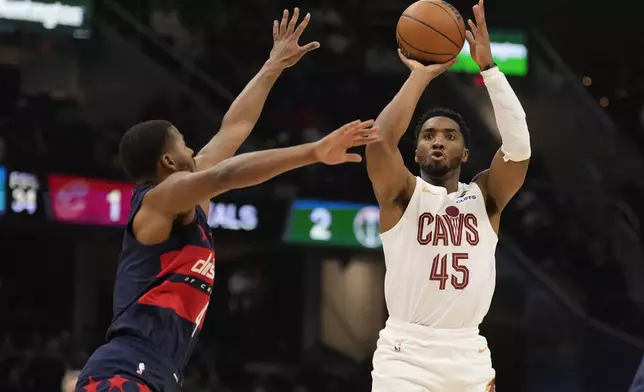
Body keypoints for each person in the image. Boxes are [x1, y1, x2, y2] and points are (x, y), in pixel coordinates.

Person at [75, 8, 379, 392]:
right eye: (184, 144)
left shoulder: (185, 196)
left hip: (160, 370)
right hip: (126, 367)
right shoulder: (160, 199)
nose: (193, 149)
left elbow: (233, 128)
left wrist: (272, 66)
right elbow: (226, 174)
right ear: (168, 161)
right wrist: (313, 152)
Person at [366, 1, 530, 391]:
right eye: (428, 135)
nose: (438, 141)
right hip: (405, 356)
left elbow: (519, 148)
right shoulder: (402, 195)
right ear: (417, 152)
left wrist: (490, 71)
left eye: (449, 135)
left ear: (466, 154)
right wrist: (419, 77)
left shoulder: (485, 197)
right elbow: (380, 139)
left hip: (467, 354)